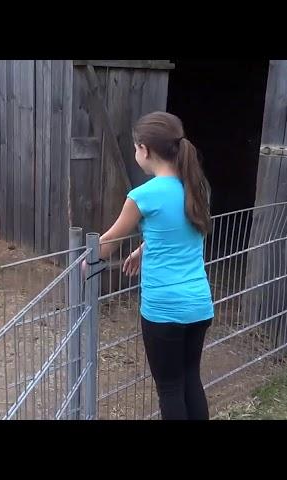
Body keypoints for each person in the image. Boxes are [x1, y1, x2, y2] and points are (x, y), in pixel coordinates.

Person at [86, 111, 214, 420]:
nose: (135, 153)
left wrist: (84, 260)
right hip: (199, 305)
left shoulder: (142, 195)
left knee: (169, 388)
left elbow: (109, 241)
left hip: (164, 310)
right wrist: (144, 248)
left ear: (145, 149)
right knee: (190, 380)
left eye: (135, 147)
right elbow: (176, 231)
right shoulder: (197, 188)